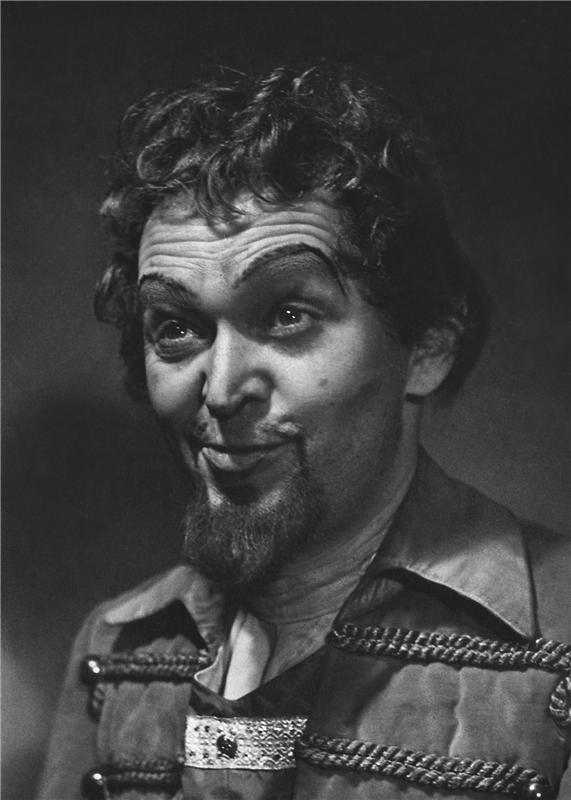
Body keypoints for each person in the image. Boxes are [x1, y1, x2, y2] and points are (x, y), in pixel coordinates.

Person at [38, 63, 569, 800]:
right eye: (177, 327)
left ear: (425, 347)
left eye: (288, 314)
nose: (222, 390)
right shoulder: (120, 648)